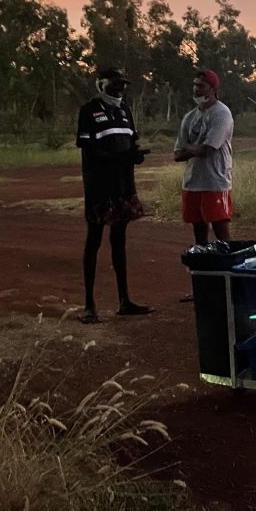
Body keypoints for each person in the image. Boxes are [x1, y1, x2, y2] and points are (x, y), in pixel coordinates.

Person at [76, 67, 153, 324]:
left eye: (123, 84)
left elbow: (131, 145)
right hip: (99, 187)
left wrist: (136, 155)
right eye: (114, 83)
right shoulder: (89, 111)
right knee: (94, 240)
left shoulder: (124, 111)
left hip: (123, 186)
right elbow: (89, 150)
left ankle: (124, 300)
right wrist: (121, 157)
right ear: (101, 84)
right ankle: (89, 305)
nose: (120, 88)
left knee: (119, 241)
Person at [174, 69, 235, 246]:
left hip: (215, 181)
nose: (196, 89)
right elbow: (177, 155)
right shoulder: (189, 117)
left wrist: (188, 147)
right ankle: (205, 269)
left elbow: (207, 149)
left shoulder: (221, 113)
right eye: (194, 85)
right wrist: (194, 148)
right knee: (199, 232)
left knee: (221, 230)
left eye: (201, 86)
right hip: (192, 182)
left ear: (213, 89)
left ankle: (227, 270)